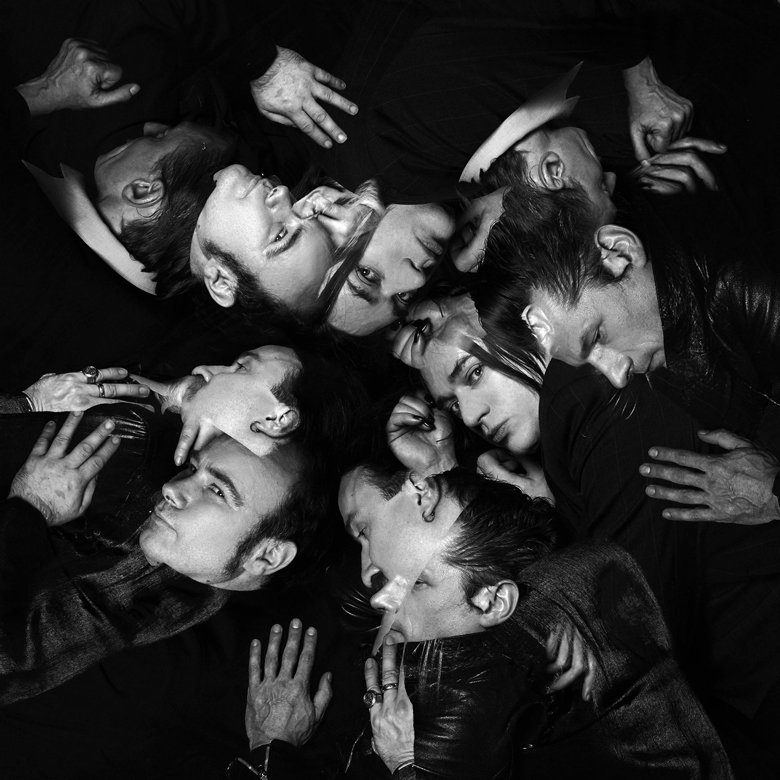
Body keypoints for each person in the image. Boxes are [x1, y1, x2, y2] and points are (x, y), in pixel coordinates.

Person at [0, 413, 326, 705]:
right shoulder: (123, 467)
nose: (172, 488)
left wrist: (29, 511)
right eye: (192, 469)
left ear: (268, 555)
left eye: (217, 491)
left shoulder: (233, 672)